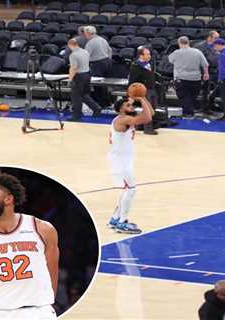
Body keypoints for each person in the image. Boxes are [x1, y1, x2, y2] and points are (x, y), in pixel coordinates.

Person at [0, 172, 59, 320]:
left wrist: (45, 307)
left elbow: (52, 276)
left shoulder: (43, 229)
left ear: (8, 199)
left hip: (38, 313)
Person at [107, 95, 154, 234]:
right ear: (121, 109)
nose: (131, 107)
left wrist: (143, 98)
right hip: (120, 161)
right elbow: (147, 118)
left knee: (127, 189)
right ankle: (122, 222)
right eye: (128, 105)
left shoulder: (124, 117)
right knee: (131, 189)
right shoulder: (124, 119)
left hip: (123, 159)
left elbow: (150, 113)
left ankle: (115, 219)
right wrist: (141, 99)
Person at [168, 36, 209, 118]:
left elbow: (170, 60)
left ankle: (188, 114)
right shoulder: (198, 52)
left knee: (184, 97)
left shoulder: (176, 52)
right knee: (192, 97)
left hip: (181, 78)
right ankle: (190, 112)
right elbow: (205, 64)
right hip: (195, 79)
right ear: (189, 42)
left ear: (179, 43)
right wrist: (206, 73)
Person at [66, 38, 102, 121]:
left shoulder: (73, 55)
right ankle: (96, 108)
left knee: (76, 97)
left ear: (70, 45)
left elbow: (74, 68)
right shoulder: (85, 51)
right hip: (87, 74)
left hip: (79, 76)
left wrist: (70, 79)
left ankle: (76, 115)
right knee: (84, 94)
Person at [128, 46, 158, 135]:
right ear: (141, 56)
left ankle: (140, 125)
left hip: (152, 88)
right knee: (147, 109)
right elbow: (132, 81)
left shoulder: (149, 63)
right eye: (147, 54)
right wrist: (132, 93)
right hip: (144, 91)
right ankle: (148, 129)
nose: (149, 56)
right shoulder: (135, 66)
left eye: (149, 54)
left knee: (153, 108)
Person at [84, 26, 113, 108]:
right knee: (104, 84)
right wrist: (108, 60)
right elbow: (110, 50)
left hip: (97, 64)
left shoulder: (91, 42)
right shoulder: (102, 39)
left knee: (97, 84)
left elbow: (86, 55)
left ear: (87, 33)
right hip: (107, 62)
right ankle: (107, 102)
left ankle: (101, 104)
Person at [194, 30, 220, 115]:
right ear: (209, 38)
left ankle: (210, 106)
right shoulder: (200, 46)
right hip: (205, 71)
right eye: (216, 38)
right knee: (205, 90)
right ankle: (205, 108)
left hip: (216, 71)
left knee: (216, 89)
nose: (217, 40)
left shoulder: (217, 46)